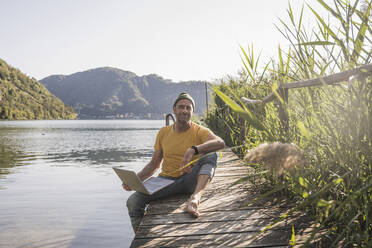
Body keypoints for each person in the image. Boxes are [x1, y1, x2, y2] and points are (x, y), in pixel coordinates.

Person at [123, 92, 225, 232]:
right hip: (166, 181)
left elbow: (220, 142)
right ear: (174, 109)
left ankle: (195, 199)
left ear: (192, 111)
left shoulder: (199, 131)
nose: (184, 110)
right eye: (181, 107)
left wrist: (193, 150)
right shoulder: (163, 132)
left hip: (190, 179)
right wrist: (135, 180)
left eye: (188, 108)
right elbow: (154, 165)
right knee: (133, 202)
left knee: (211, 155)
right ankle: (140, 236)